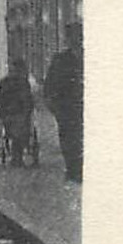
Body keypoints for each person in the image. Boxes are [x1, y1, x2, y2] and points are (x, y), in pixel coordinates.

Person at [44, 40, 84, 182]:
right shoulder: (60, 60)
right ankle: (72, 169)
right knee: (68, 139)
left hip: (84, 107)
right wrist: (54, 107)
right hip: (66, 108)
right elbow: (49, 85)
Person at [0, 58, 36, 167]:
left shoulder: (23, 82)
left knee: (21, 127)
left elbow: (28, 101)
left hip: (19, 114)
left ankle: (17, 155)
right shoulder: (6, 82)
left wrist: (26, 113)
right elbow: (1, 100)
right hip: (9, 115)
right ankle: (17, 156)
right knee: (18, 128)